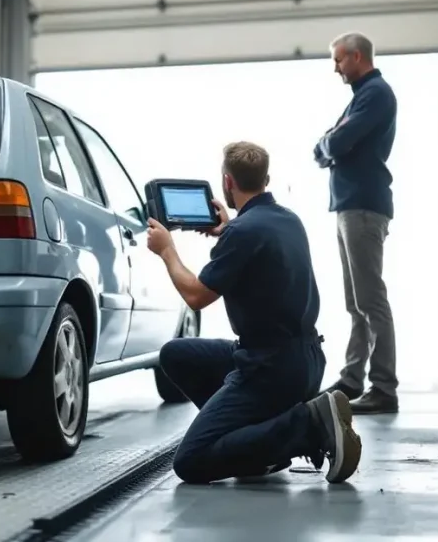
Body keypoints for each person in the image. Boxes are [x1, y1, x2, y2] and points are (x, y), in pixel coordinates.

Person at [146, 141, 362, 485]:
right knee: (175, 354)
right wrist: (227, 227)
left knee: (190, 461)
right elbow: (256, 245)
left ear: (227, 182)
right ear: (267, 178)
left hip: (269, 368)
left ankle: (307, 425)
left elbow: (196, 296)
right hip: (303, 359)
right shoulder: (287, 220)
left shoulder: (242, 232)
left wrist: (167, 250)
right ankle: (257, 449)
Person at [314, 31, 399, 415]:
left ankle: (383, 387)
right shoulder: (360, 98)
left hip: (363, 207)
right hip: (350, 206)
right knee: (355, 302)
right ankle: (352, 379)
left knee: (371, 300)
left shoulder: (376, 94)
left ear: (358, 56)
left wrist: (330, 142)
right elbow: (326, 146)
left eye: (338, 60)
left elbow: (336, 142)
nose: (335, 68)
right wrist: (330, 143)